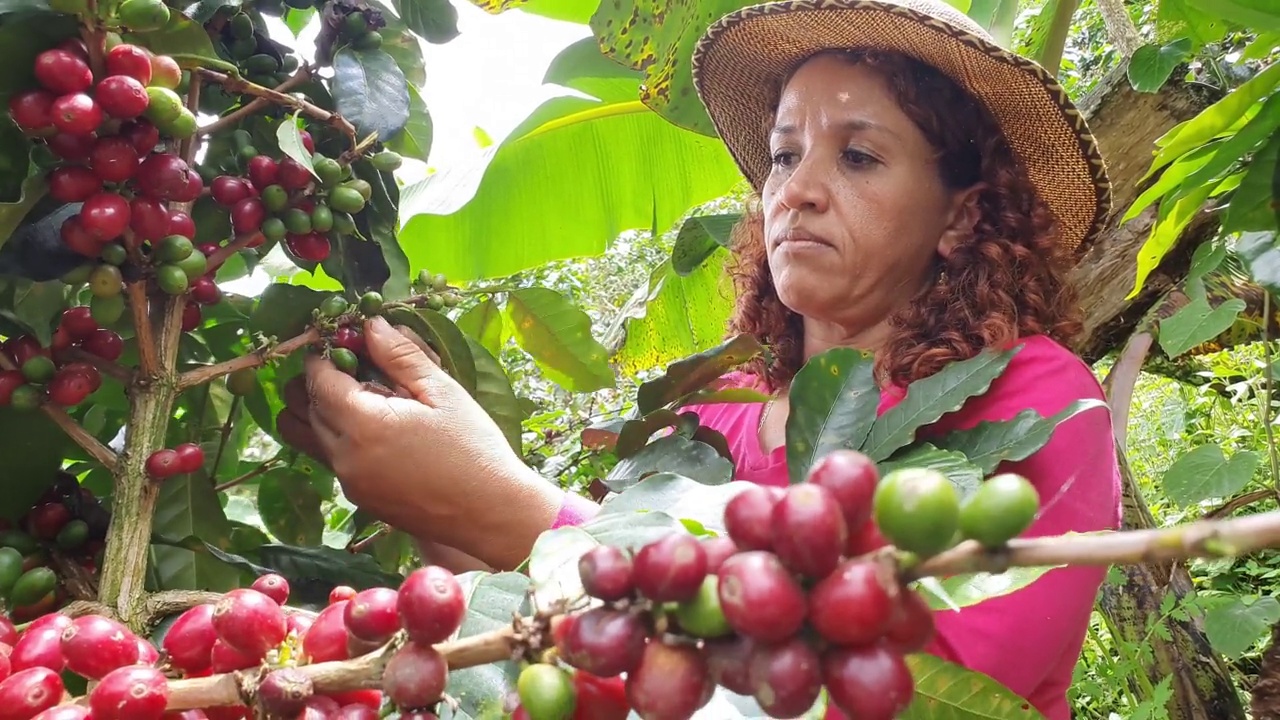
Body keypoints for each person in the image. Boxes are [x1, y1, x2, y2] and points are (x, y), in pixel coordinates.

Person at [277, 0, 1124, 717]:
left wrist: (510, 506)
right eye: (785, 154)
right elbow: (588, 630)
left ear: (961, 216)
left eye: (858, 156)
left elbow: (924, 690)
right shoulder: (712, 410)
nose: (796, 188)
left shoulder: (1037, 396)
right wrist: (424, 494)